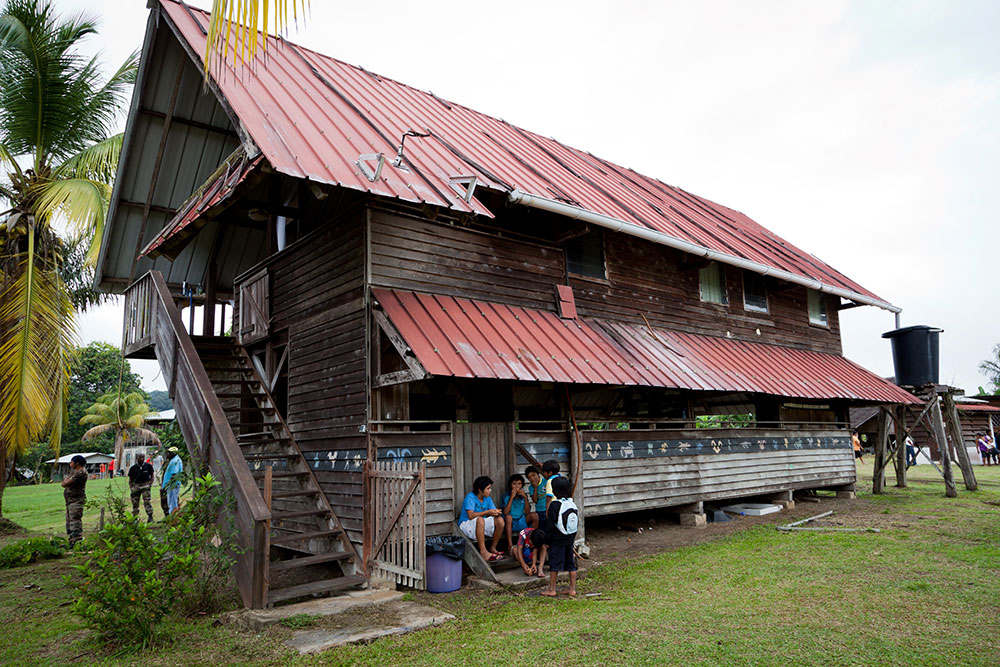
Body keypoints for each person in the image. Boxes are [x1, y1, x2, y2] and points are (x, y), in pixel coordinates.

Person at [541, 476, 579, 597]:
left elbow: (550, 525)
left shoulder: (555, 504)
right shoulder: (571, 503)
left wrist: (547, 540)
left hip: (557, 539)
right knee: (571, 564)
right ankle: (572, 589)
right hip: (569, 538)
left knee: (555, 565)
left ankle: (552, 589)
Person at [458, 475, 505, 562]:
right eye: (488, 488)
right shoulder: (470, 497)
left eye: (490, 488)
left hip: (481, 523)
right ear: (480, 490)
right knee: (480, 519)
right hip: (466, 524)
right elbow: (471, 516)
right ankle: (483, 552)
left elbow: (493, 511)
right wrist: (487, 512)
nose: (490, 491)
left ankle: (493, 547)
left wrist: (496, 513)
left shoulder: (488, 498)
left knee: (500, 520)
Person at [61, 455, 89, 548]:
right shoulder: (74, 472)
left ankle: (77, 542)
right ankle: (71, 541)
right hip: (70, 500)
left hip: (76, 500)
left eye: (71, 462)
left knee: (75, 520)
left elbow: (66, 483)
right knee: (69, 521)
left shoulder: (81, 473)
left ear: (77, 463)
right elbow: (63, 482)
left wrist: (65, 482)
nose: (70, 463)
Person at [501, 474, 531, 554]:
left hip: (521, 519)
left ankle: (530, 542)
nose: (517, 486)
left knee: (535, 516)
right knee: (508, 517)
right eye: (514, 484)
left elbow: (528, 512)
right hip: (510, 522)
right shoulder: (507, 496)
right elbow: (506, 512)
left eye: (519, 484)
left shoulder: (523, 496)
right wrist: (511, 497)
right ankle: (510, 545)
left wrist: (525, 497)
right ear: (510, 485)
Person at [127, 453, 156, 522]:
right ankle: (135, 518)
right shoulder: (133, 468)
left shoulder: (148, 466)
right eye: (140, 457)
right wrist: (131, 486)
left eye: (143, 457)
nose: (142, 459)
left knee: (147, 501)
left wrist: (150, 484)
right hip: (136, 486)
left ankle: (150, 517)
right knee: (135, 503)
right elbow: (130, 478)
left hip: (145, 485)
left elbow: (152, 475)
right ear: (137, 458)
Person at [162, 447, 184, 514]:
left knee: (172, 503)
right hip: (171, 485)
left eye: (168, 453)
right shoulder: (173, 460)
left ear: (173, 453)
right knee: (171, 502)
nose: (167, 455)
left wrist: (167, 484)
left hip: (172, 485)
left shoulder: (175, 461)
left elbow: (174, 475)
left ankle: (173, 517)